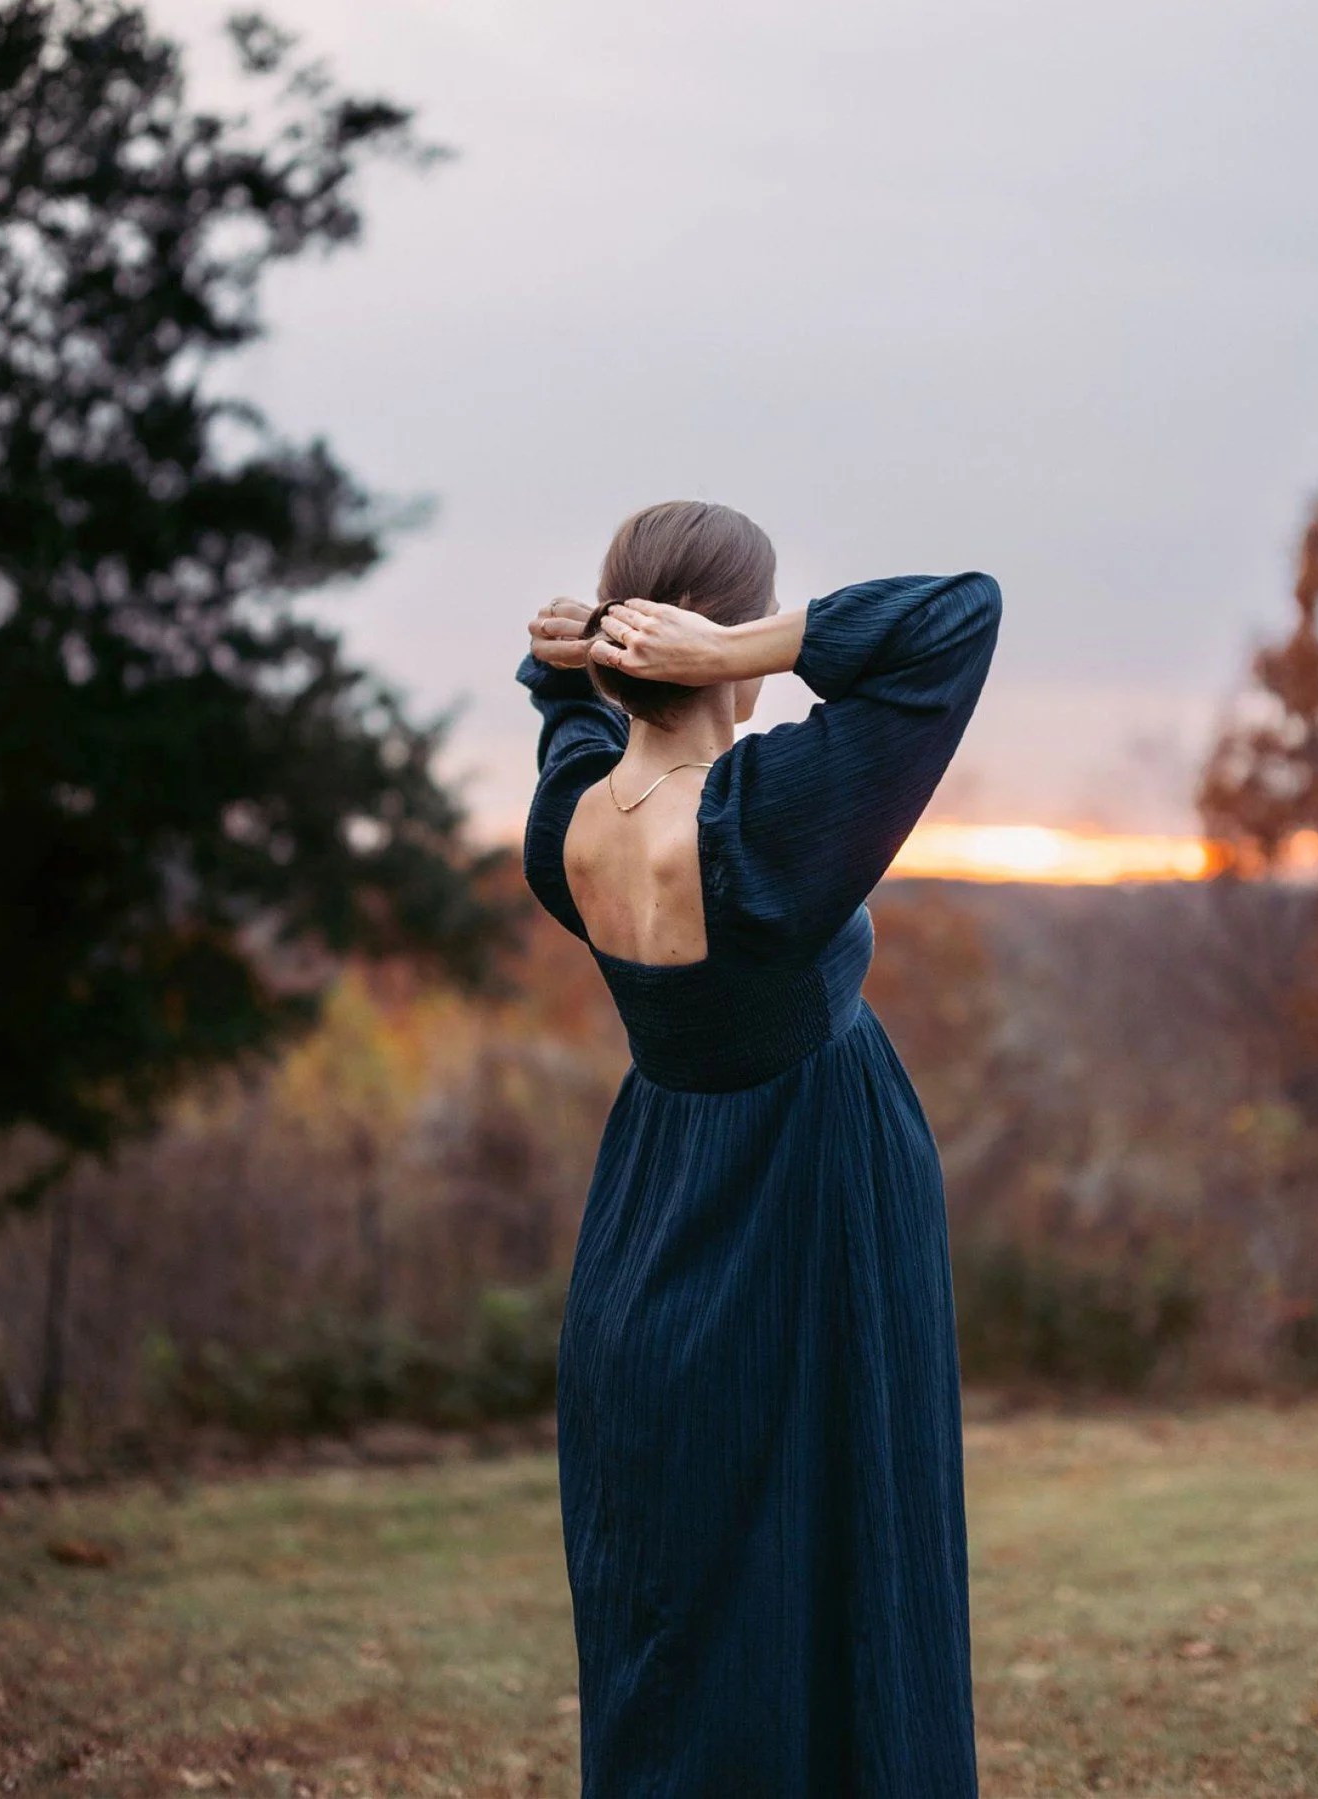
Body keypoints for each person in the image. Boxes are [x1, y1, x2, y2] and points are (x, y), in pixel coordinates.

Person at [518, 498, 1002, 1798]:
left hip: (653, 1222)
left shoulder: (569, 824)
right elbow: (958, 617)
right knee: (844, 1553)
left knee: (687, 1595)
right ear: (714, 637)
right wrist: (744, 652)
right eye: (759, 615)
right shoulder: (761, 824)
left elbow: (562, 713)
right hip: (809, 1212)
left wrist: (575, 657)